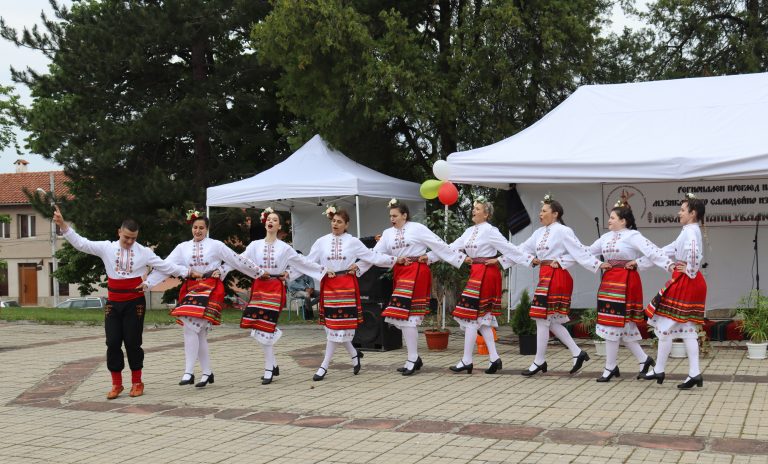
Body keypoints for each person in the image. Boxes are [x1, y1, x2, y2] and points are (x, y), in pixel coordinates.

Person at [52, 206, 197, 400]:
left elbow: (166, 265)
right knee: (112, 343)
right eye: (126, 237)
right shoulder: (107, 248)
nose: (129, 241)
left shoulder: (143, 252)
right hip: (113, 302)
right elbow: (82, 244)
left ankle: (137, 382)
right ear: (119, 232)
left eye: (133, 238)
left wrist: (188, 272)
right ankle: (116, 384)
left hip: (134, 303)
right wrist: (63, 225)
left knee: (132, 343)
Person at [145, 211, 265, 388]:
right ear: (191, 228)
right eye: (195, 227)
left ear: (207, 229)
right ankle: (207, 372)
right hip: (191, 287)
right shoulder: (182, 247)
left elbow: (236, 260)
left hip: (210, 288)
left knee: (190, 327)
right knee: (197, 331)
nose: (198, 231)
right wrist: (148, 283)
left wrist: (258, 273)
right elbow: (166, 266)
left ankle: (188, 372)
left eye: (201, 228)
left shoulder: (216, 245)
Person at [225, 208, 325, 385]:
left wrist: (322, 271)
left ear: (279, 226)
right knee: (258, 325)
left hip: (275, 288)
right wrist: (221, 270)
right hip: (259, 287)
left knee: (267, 325)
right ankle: (273, 363)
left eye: (274, 220)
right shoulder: (255, 245)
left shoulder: (285, 248)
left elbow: (302, 263)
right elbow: (240, 260)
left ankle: (268, 368)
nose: (270, 222)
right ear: (265, 223)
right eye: (268, 219)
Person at [372, 198, 466, 375]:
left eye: (395, 215)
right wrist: (358, 266)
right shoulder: (388, 233)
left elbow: (439, 245)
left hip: (417, 272)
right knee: (402, 317)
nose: (392, 219)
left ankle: (413, 359)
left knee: (408, 318)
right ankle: (413, 357)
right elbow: (375, 254)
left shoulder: (417, 228)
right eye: (390, 216)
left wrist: (430, 257)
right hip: (400, 273)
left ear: (404, 215)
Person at [586, 199, 674, 382]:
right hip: (609, 281)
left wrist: (668, 265)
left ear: (623, 220)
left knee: (613, 323)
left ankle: (610, 366)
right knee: (623, 327)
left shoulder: (633, 236)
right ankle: (644, 359)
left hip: (626, 282)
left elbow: (653, 252)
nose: (609, 220)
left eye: (612, 217)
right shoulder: (605, 237)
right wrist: (594, 263)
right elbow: (585, 251)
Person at [518, 195, 606, 376]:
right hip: (545, 276)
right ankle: (577, 352)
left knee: (542, 319)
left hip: (557, 277)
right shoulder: (538, 233)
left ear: (555, 214)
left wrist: (594, 264)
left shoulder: (563, 231)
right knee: (549, 321)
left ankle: (539, 360)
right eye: (541, 211)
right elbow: (521, 249)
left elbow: (579, 251)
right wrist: (506, 258)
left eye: (544, 211)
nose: (540, 214)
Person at [307, 207, 396, 381]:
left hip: (346, 285)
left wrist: (394, 260)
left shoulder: (353, 241)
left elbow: (372, 256)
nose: (335, 224)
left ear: (346, 224)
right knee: (333, 326)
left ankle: (324, 365)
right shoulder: (321, 241)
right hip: (329, 285)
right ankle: (355, 354)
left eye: (340, 221)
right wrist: (322, 269)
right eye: (334, 221)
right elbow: (308, 261)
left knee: (339, 326)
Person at [447, 197, 533, 375]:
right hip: (476, 273)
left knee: (471, 316)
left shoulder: (490, 231)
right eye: (473, 208)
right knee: (482, 320)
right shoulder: (469, 231)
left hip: (487, 274)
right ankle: (494, 358)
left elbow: (509, 248)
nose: (474, 211)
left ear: (486, 214)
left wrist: (527, 260)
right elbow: (451, 247)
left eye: (478, 209)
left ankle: (467, 360)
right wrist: (430, 256)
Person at [642, 194, 707, 389]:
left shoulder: (691, 231)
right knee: (687, 330)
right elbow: (670, 249)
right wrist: (644, 259)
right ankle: (694, 373)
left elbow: (694, 253)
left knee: (664, 324)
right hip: (688, 281)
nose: (679, 212)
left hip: (687, 282)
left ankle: (660, 368)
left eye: (683, 210)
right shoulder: (688, 230)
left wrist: (689, 271)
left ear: (692, 213)